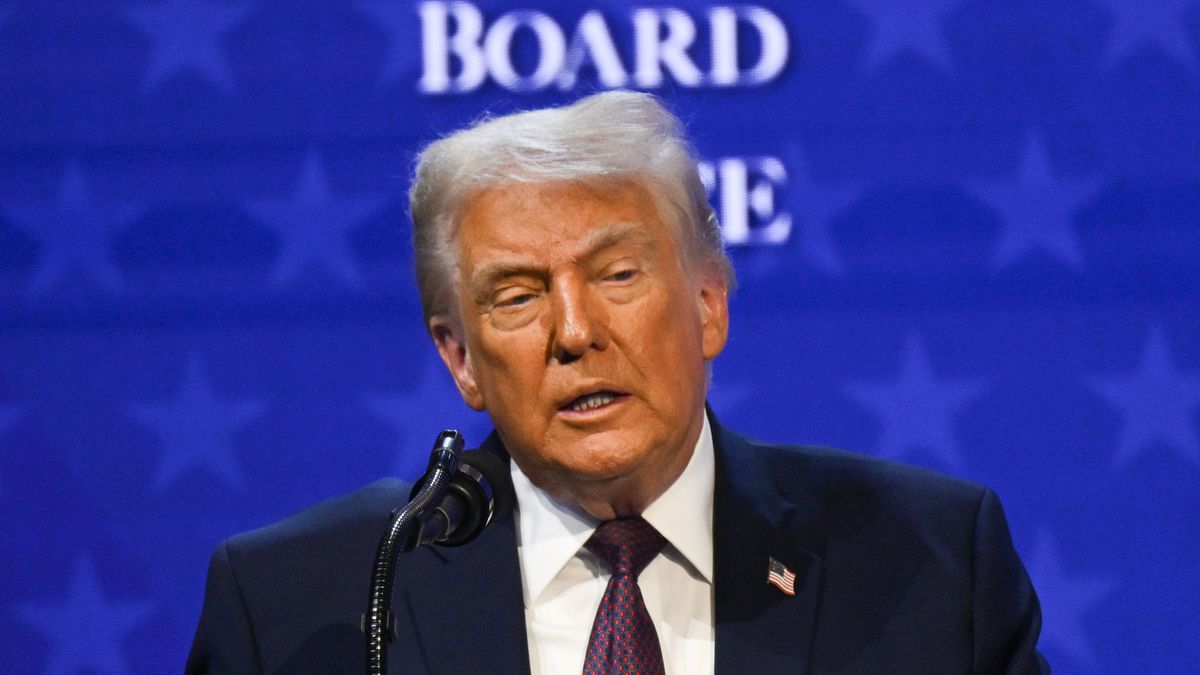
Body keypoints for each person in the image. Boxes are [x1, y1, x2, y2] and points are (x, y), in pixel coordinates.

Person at [187, 91, 1050, 674]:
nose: (575, 331)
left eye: (618, 275)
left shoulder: (930, 564)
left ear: (708, 302)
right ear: (459, 358)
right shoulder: (306, 600)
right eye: (518, 295)